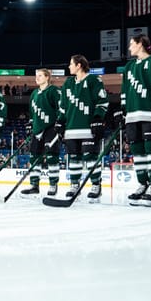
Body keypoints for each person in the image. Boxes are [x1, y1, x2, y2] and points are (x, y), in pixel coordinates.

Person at [116, 35, 151, 207]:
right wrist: (122, 110)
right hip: (132, 116)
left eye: (131, 44)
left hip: (150, 113)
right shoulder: (129, 66)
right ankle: (143, 183)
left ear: (141, 44)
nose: (129, 48)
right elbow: (125, 90)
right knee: (138, 151)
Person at [55, 55, 109, 200]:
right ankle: (74, 184)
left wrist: (98, 117)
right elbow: (63, 106)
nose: (69, 67)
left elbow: (102, 100)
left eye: (71, 64)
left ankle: (96, 184)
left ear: (79, 65)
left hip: (88, 128)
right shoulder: (68, 83)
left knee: (90, 157)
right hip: (71, 129)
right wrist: (60, 121)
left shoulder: (93, 80)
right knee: (74, 158)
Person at [22, 68, 61, 196]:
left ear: (47, 77)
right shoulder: (34, 94)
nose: (37, 78)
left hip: (51, 127)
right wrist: (30, 123)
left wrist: (59, 124)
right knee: (34, 157)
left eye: (40, 75)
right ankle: (34, 185)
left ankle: (53, 184)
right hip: (37, 129)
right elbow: (32, 112)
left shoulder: (54, 91)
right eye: (36, 75)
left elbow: (60, 109)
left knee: (51, 156)